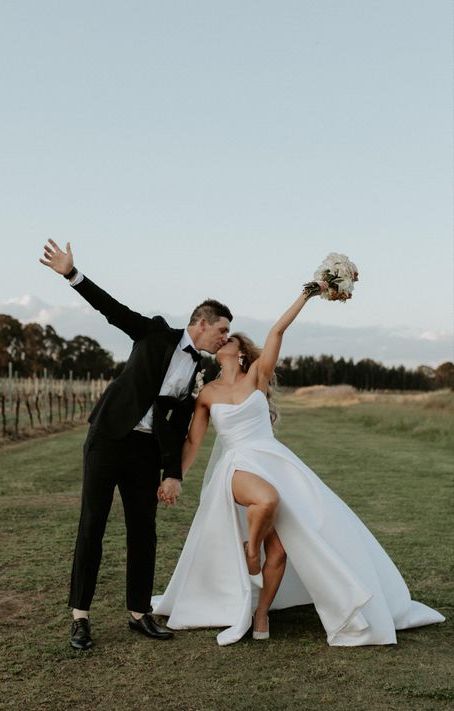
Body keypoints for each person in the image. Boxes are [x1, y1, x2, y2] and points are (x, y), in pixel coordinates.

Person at [152, 283, 445, 645]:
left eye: (229, 336)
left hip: (275, 461)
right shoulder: (208, 394)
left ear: (241, 353)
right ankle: (250, 552)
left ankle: (262, 615)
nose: (222, 339)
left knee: (281, 549)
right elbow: (194, 442)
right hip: (236, 466)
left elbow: (277, 330)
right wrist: (172, 478)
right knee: (267, 501)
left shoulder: (257, 376)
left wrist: (308, 294)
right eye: (221, 334)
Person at [39, 239, 232, 649]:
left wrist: (173, 473)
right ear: (200, 322)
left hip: (145, 453)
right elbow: (112, 310)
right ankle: (80, 618)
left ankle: (139, 612)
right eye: (222, 330)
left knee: (144, 530)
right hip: (108, 438)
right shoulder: (155, 333)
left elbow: (178, 425)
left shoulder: (200, 368)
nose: (224, 338)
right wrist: (74, 275)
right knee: (92, 523)